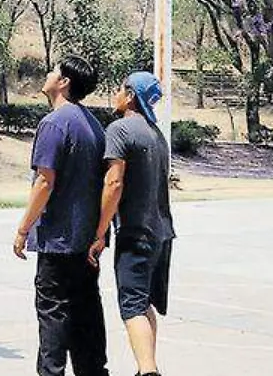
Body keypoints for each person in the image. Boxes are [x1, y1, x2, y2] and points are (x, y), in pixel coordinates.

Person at [12, 55, 110, 376]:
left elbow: (44, 181)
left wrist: (24, 229)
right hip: (84, 241)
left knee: (53, 313)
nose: (48, 74)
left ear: (64, 82)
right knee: (86, 316)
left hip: (58, 240)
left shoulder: (54, 123)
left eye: (53, 71)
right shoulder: (93, 124)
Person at [87, 72, 175, 376]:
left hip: (136, 233)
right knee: (144, 302)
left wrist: (99, 232)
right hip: (162, 234)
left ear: (131, 96)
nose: (116, 94)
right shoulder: (157, 134)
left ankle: (149, 371)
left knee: (131, 306)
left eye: (120, 89)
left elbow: (113, 184)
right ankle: (146, 367)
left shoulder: (120, 130)